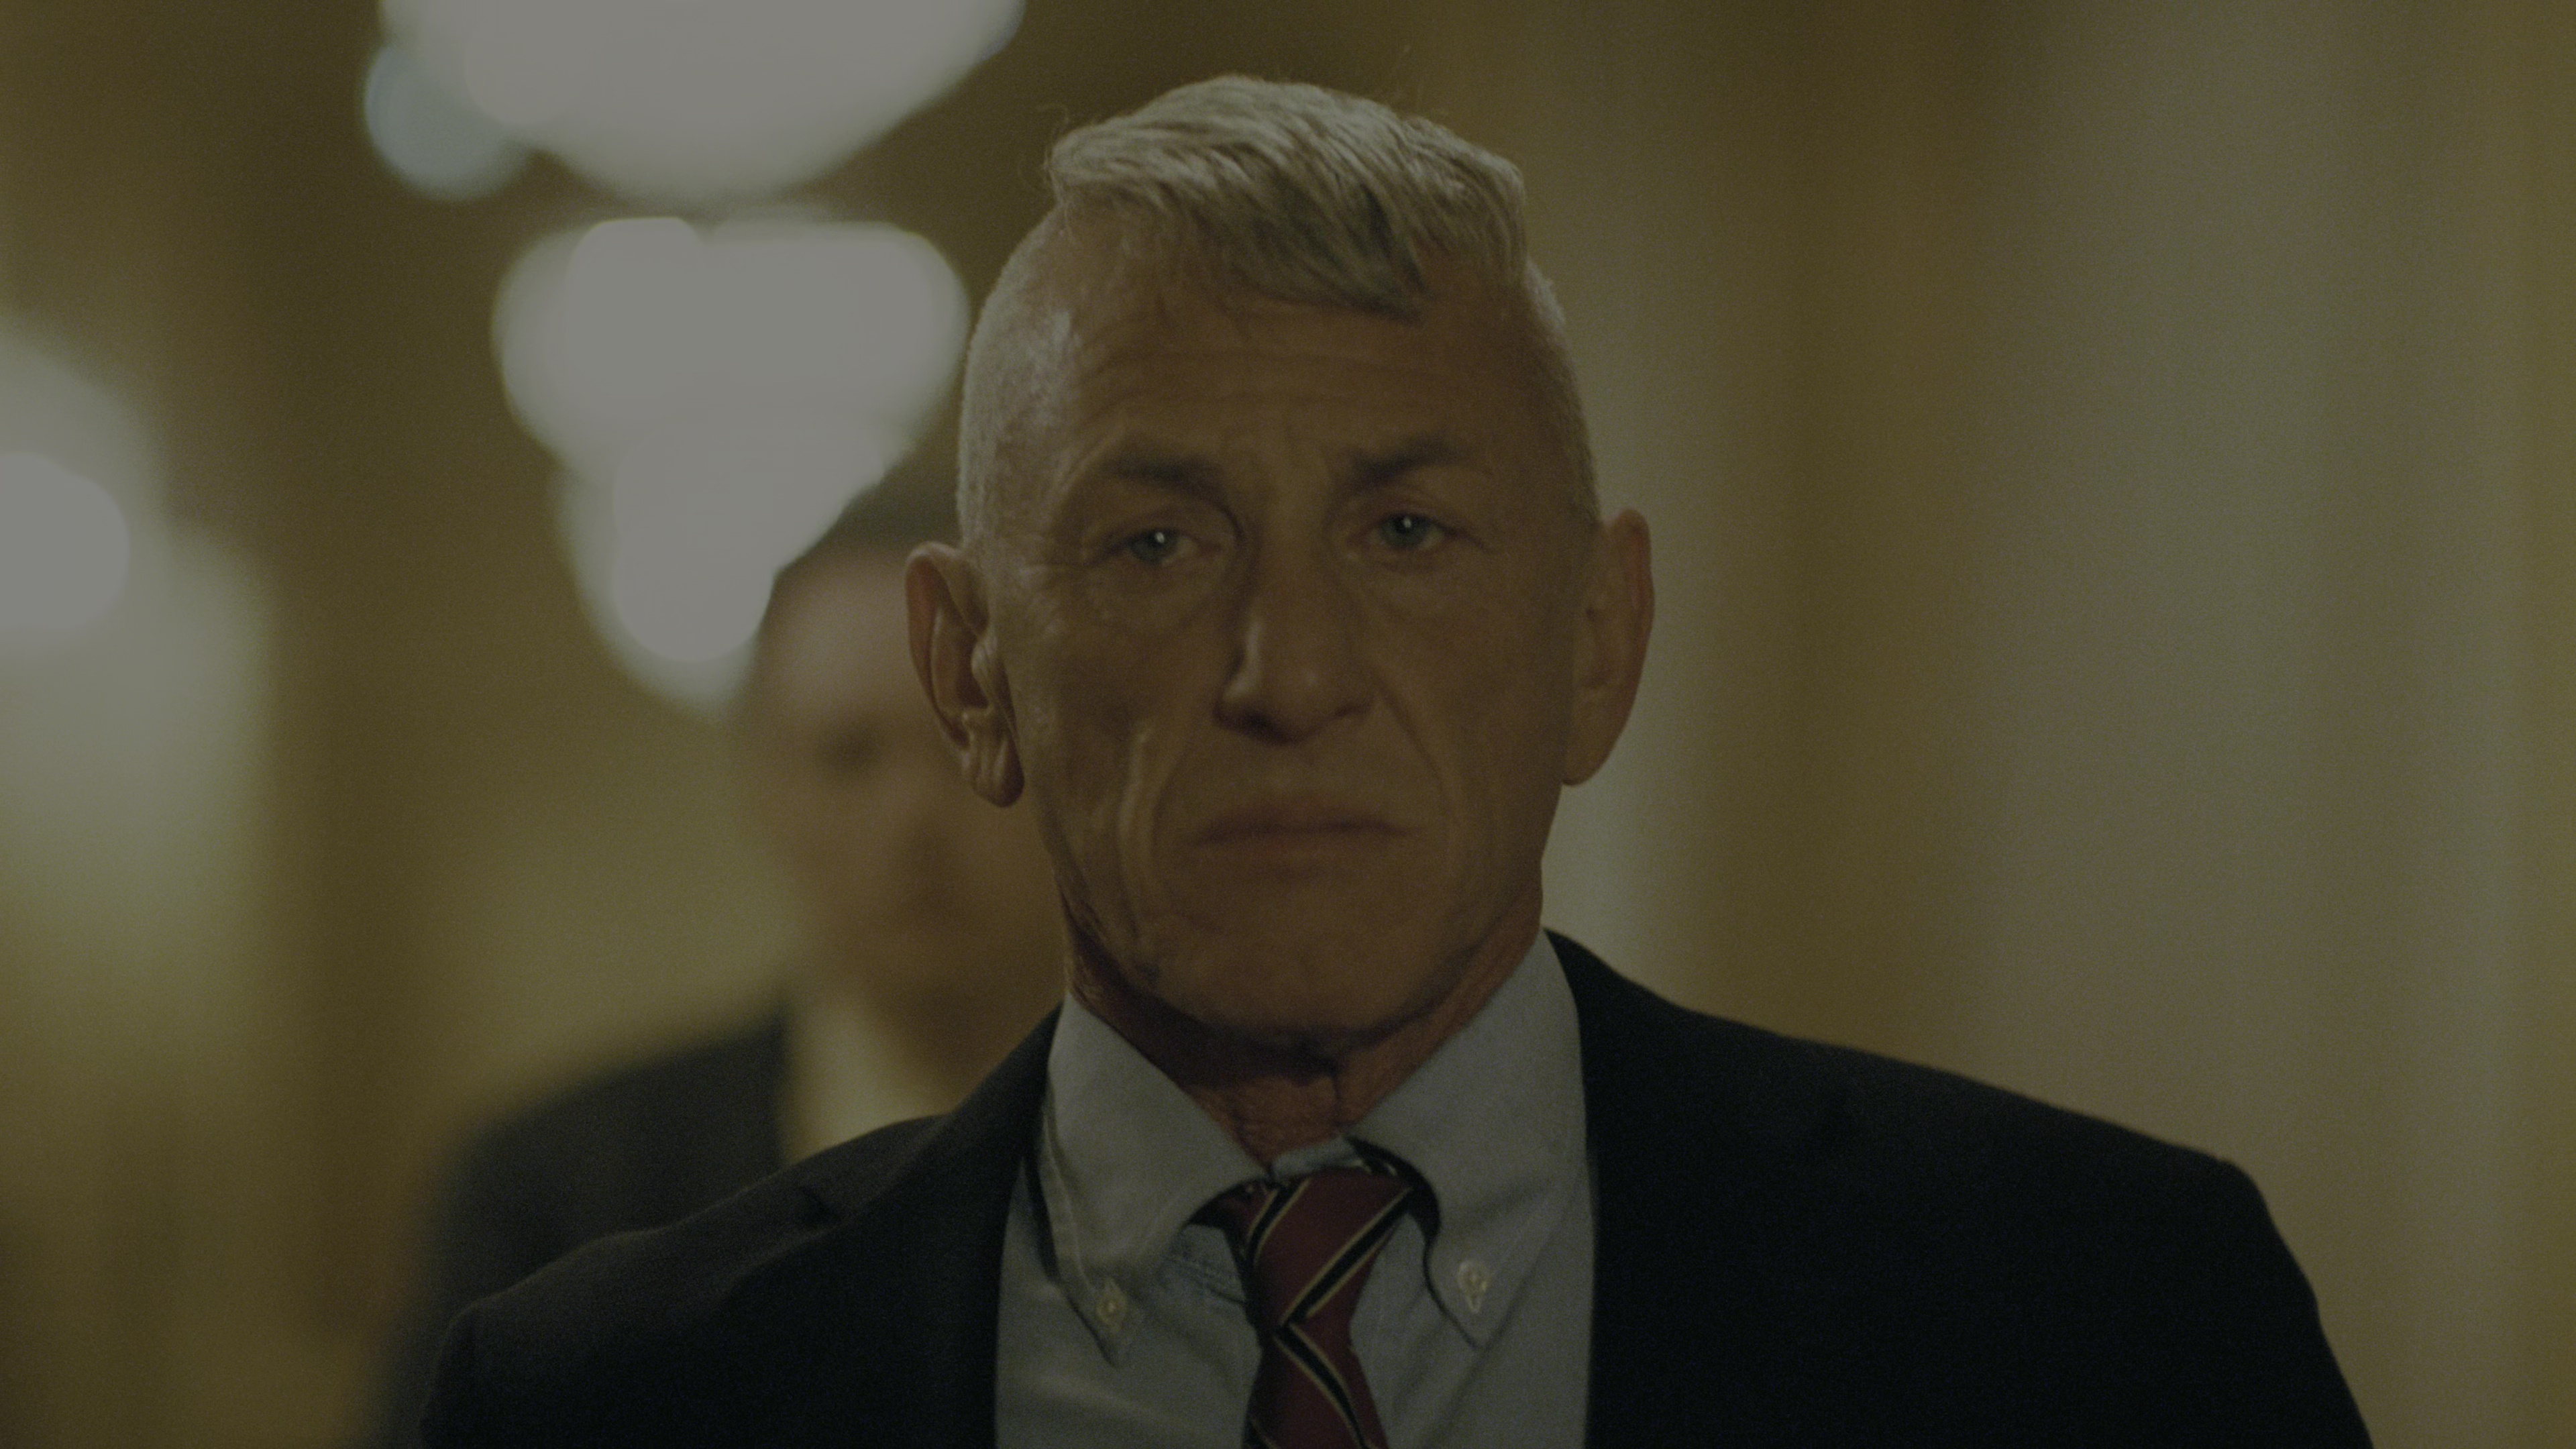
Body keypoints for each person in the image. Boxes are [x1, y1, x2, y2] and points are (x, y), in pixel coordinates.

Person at [419, 77, 2371, 1446]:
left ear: (1599, 643)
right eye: (1157, 544)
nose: (1290, 673)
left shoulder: (2102, 1322)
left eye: (1409, 533)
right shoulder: (608, 1404)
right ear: (974, 672)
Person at [364, 464, 1062, 1447]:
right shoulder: (554, 1197)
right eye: (849, 756)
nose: (914, 820)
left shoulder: (1220, 1176)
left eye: (968, 739)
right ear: (767, 789)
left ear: (1075, 771)